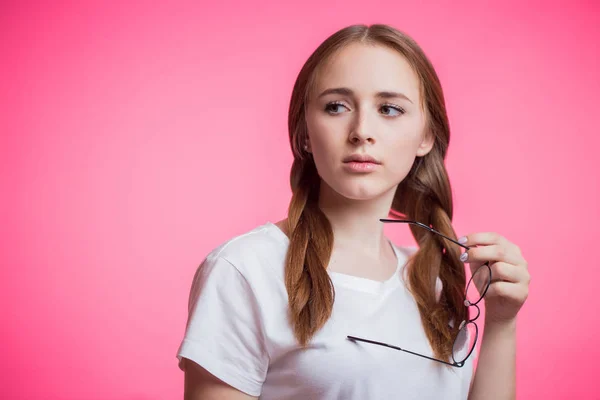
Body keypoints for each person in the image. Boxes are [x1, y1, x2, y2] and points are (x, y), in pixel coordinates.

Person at [176, 24, 530, 400]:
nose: (362, 131)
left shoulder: (438, 282)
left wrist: (502, 323)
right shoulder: (246, 269)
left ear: (426, 136)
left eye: (389, 109)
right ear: (306, 133)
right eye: (336, 107)